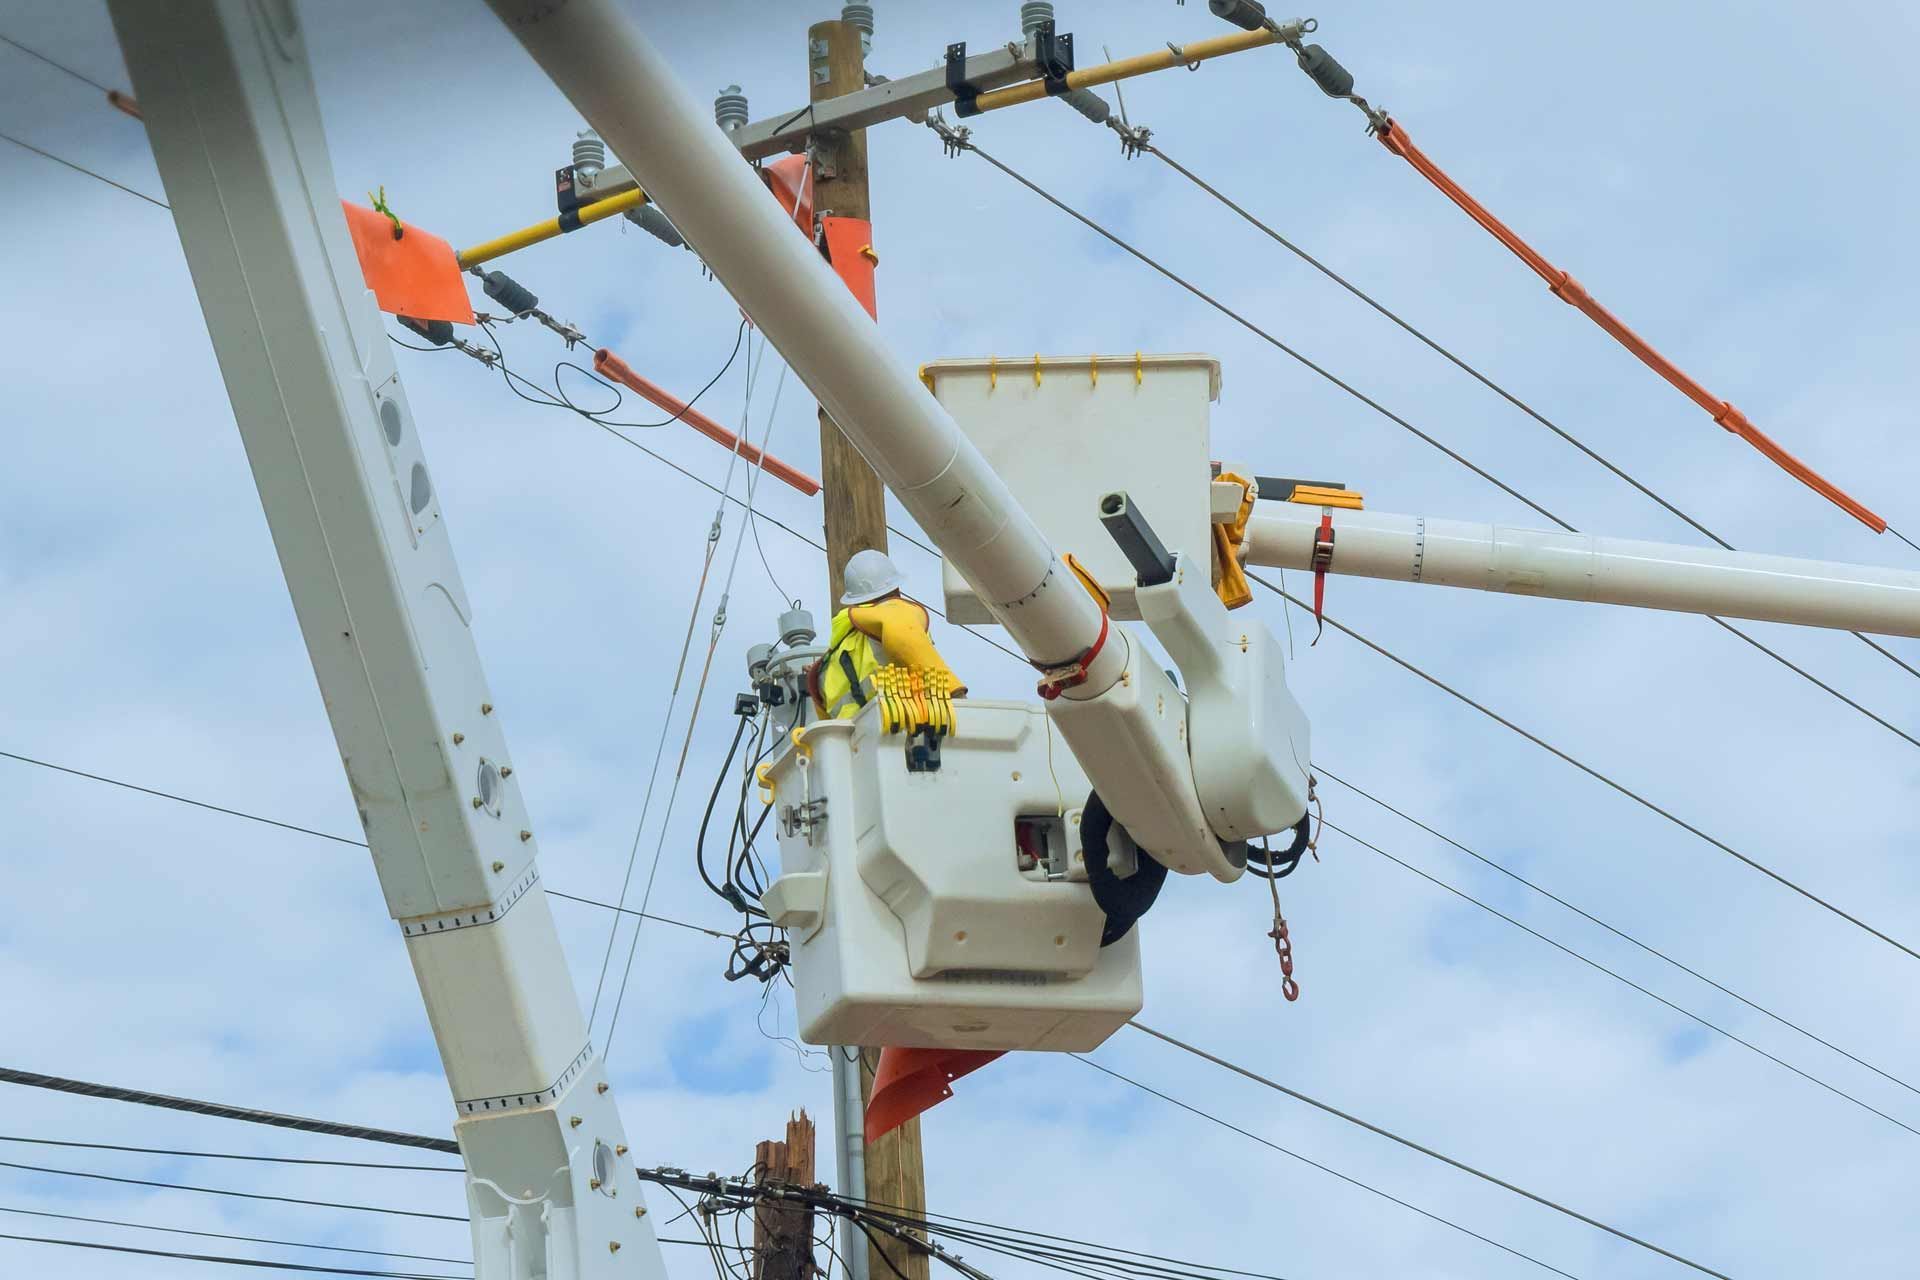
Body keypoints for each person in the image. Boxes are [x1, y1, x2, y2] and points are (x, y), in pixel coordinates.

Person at [813, 549, 965, 719]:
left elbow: (817, 693)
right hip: (895, 726)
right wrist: (955, 693)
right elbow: (905, 638)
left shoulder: (841, 641)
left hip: (851, 737)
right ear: (895, 587)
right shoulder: (893, 613)